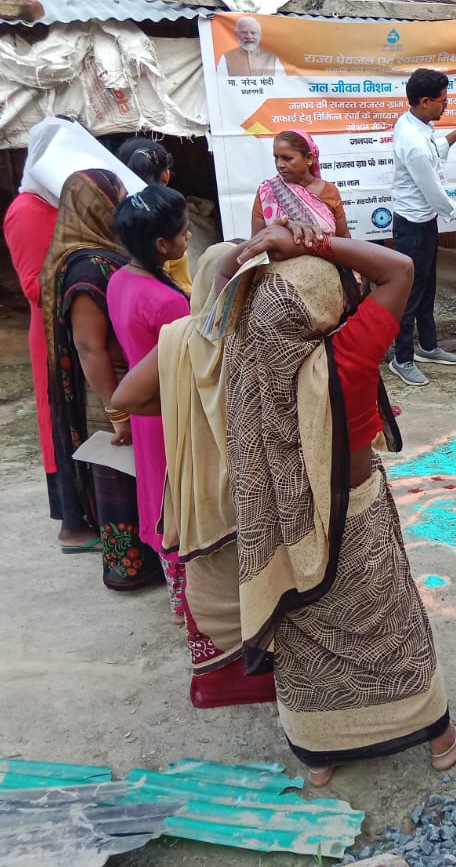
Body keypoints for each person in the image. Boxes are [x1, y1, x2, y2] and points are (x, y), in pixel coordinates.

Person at [222, 222, 456, 785]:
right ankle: (442, 740)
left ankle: (321, 756)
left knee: (306, 634)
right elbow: (400, 270)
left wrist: (253, 262)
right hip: (355, 515)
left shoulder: (247, 363)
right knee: (391, 627)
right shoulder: (348, 352)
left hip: (289, 527)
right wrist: (313, 243)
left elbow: (220, 289)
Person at [112, 242, 278, 710]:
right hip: (256, 478)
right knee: (258, 576)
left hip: (201, 482)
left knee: (213, 577)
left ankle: (219, 679)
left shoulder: (183, 338)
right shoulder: (263, 336)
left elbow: (124, 397)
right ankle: (251, 673)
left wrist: (178, 402)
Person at [40, 170, 162, 591]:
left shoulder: (99, 257)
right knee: (119, 474)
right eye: (118, 198)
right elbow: (89, 346)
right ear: (97, 207)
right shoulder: (86, 269)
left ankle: (151, 561)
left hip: (119, 384)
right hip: (107, 387)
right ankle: (130, 569)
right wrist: (117, 409)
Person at [3, 117, 97, 551]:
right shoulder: (27, 210)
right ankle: (72, 525)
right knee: (61, 421)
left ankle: (90, 514)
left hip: (75, 326)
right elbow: (35, 286)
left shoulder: (58, 205)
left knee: (81, 419)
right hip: (53, 335)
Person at [106, 185, 192, 619]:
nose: (188, 236)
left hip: (144, 415)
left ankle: (177, 598)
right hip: (169, 412)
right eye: (184, 231)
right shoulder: (168, 302)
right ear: (161, 244)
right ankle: (191, 605)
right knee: (182, 503)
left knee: (159, 499)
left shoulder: (120, 280)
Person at [388, 69, 456, 387]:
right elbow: (434, 193)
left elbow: (433, 154)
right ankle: (402, 359)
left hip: (424, 223)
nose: (446, 105)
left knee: (427, 287)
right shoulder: (413, 141)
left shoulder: (416, 125)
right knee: (410, 294)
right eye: (443, 101)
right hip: (412, 228)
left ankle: (428, 347)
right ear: (425, 101)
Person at [117, 136, 193, 293]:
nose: (188, 235)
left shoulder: (119, 216)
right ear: (165, 176)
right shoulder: (169, 217)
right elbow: (183, 288)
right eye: (184, 232)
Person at [250, 130, 350, 240]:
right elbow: (256, 241)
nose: (279, 164)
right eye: (276, 158)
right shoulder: (267, 192)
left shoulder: (329, 191)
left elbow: (344, 239)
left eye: (287, 158)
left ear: (309, 159)